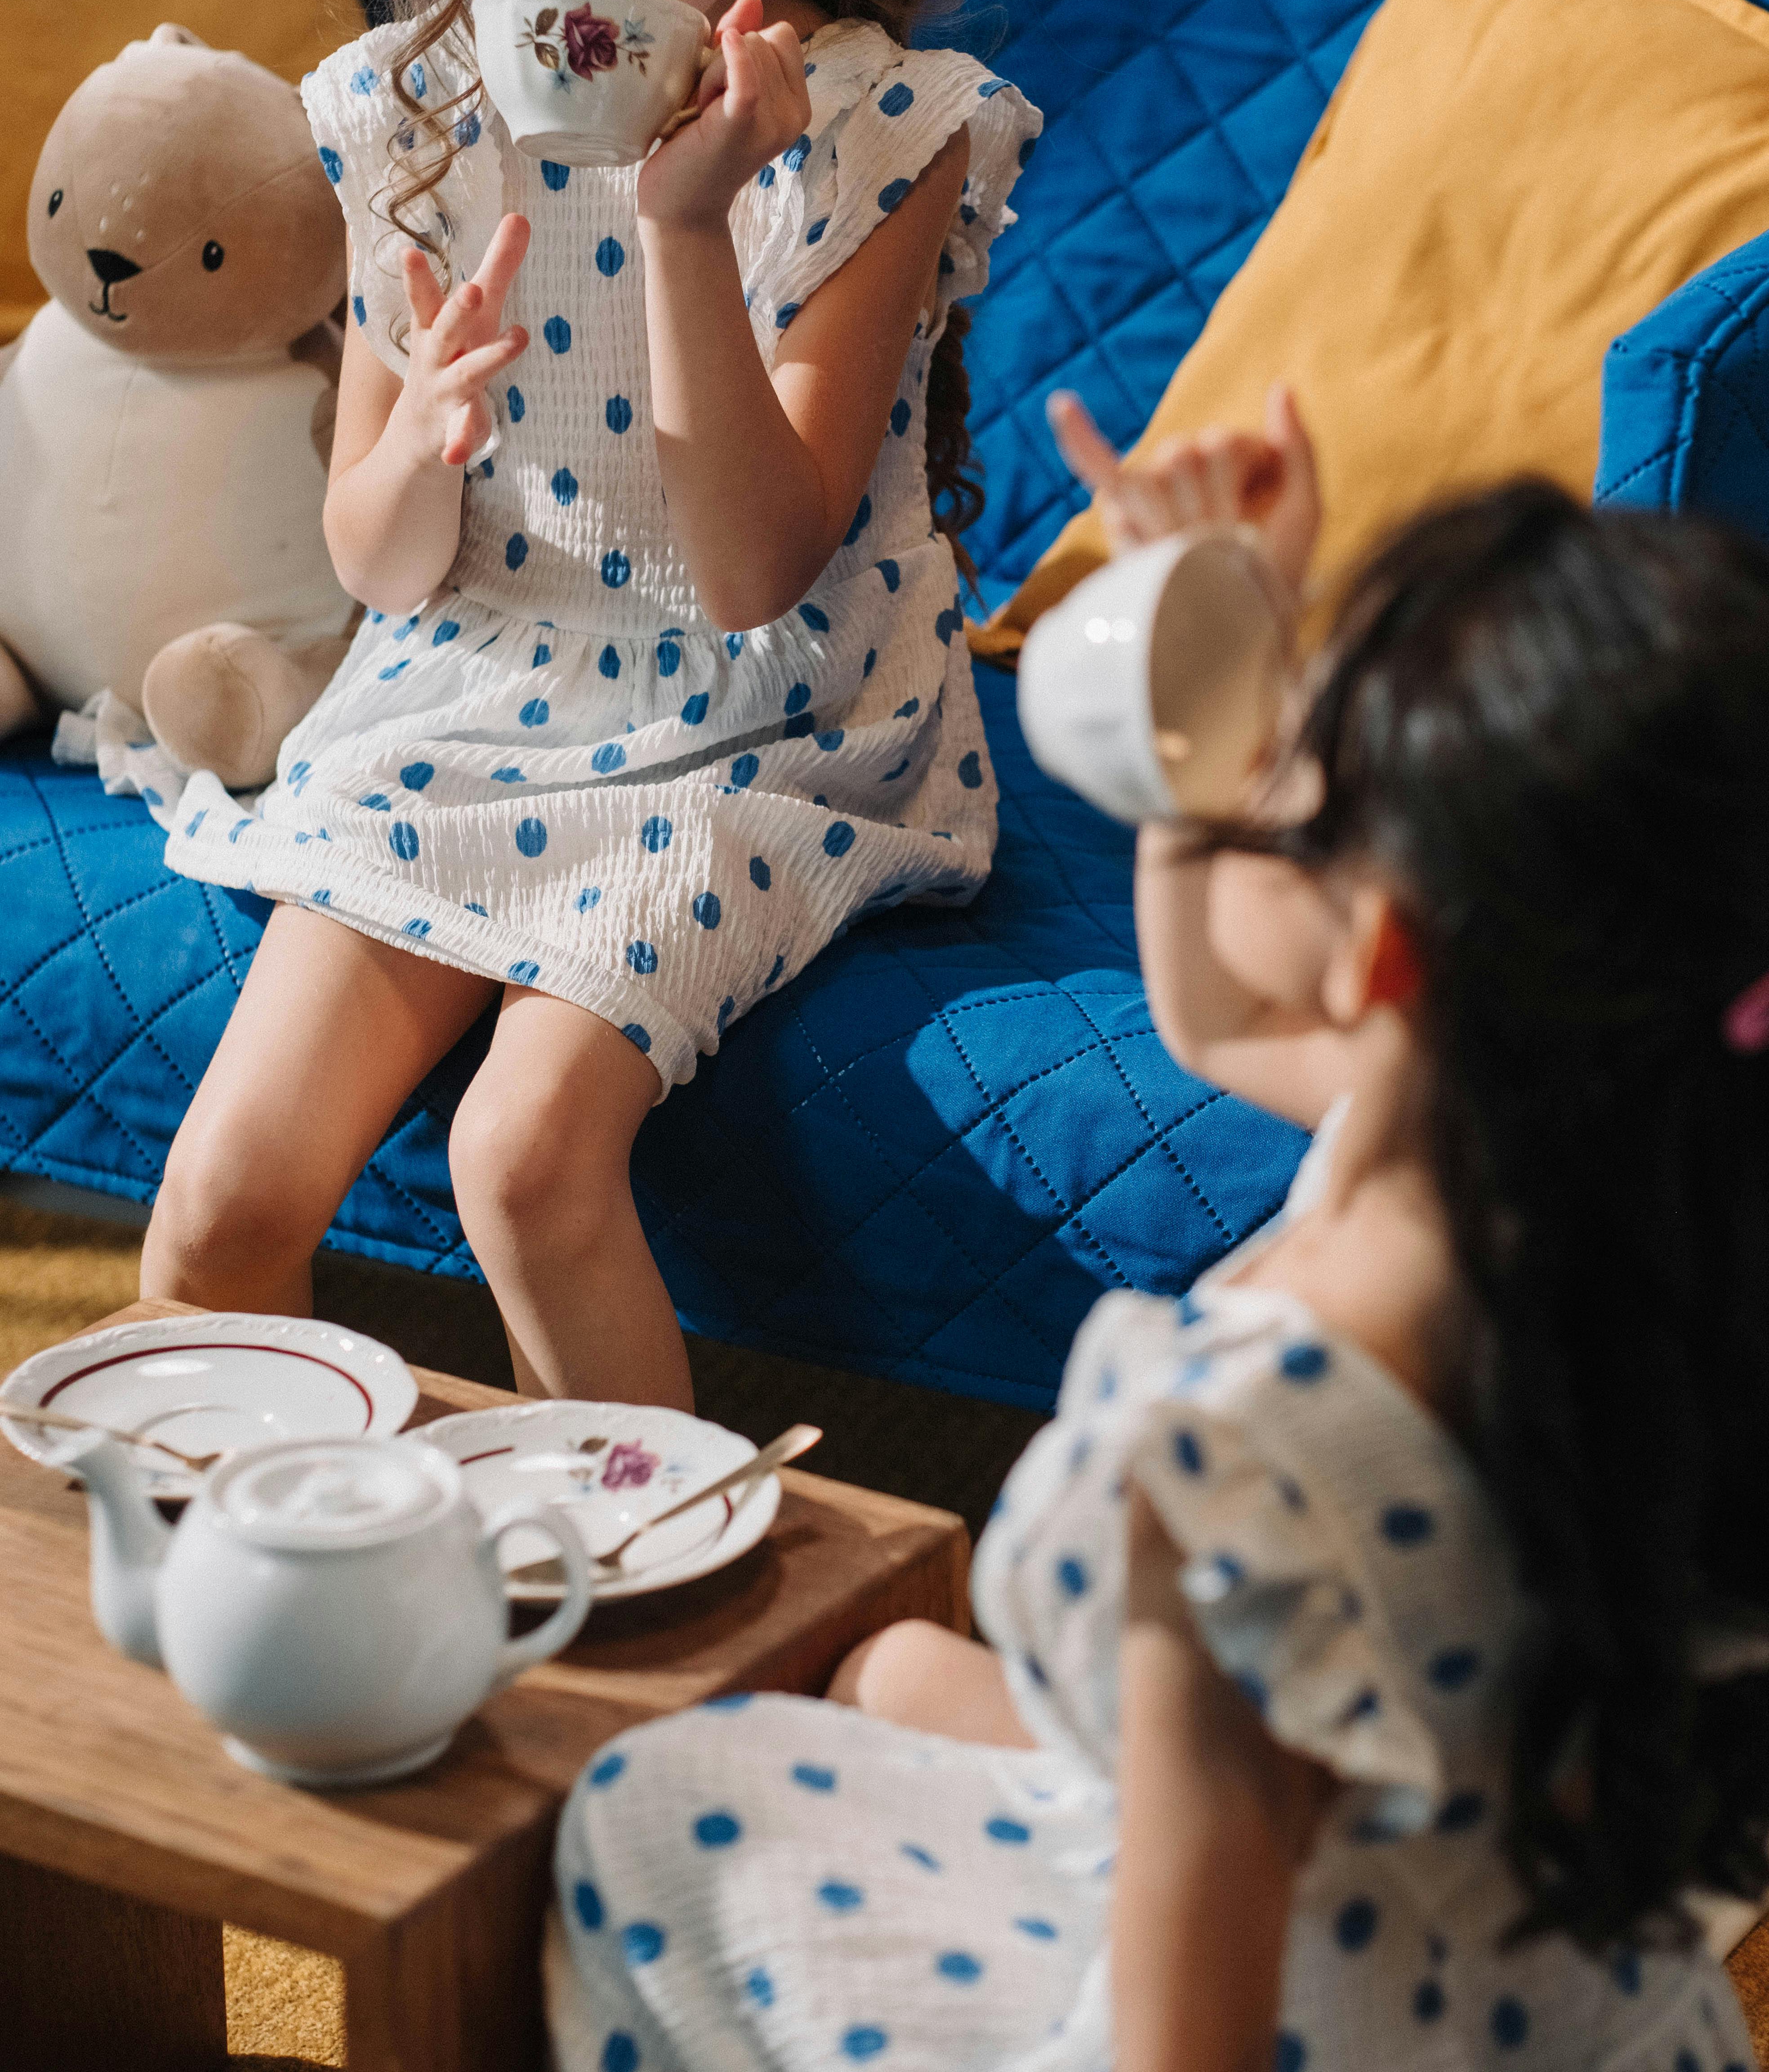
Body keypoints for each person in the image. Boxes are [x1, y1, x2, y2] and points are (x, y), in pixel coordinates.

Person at [544, 392, 1769, 2069]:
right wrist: (1212, 632)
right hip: (1518, 1968)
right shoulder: (1645, 1183)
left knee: (649, 1808)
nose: (1245, 770)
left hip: (1310, 2007)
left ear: (1378, 949)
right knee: (900, 1668)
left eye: (1287, 775)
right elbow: (1215, 1016)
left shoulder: (1248, 1466)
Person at [141, 0, 1040, 1410]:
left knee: (525, 1163)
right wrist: (422, 439)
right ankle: (262, 1624)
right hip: (469, 686)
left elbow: (748, 570)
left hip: (760, 716)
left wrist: (688, 221)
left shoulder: (890, 133)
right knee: (218, 1207)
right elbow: (381, 567)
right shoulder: (412, 117)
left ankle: (669, 1631)